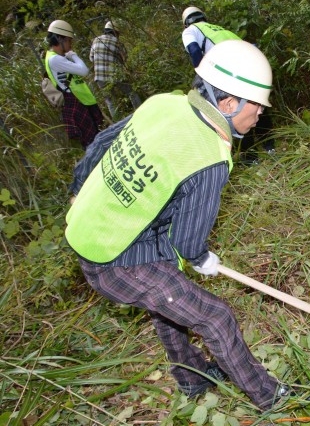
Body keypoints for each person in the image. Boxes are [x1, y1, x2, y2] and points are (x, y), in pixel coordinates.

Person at [65, 39, 288, 410]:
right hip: (111, 257)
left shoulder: (162, 104)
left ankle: (191, 379)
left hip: (90, 227)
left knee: (169, 294)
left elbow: (100, 142)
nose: (261, 114)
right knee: (215, 317)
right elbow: (187, 243)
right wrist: (203, 258)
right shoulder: (210, 156)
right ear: (229, 104)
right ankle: (270, 398)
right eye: (258, 106)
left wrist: (77, 189)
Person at [182, 6, 275, 164]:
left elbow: (194, 51)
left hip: (232, 72)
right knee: (256, 107)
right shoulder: (219, 29)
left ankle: (251, 158)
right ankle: (270, 147)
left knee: (236, 113)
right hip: (252, 68)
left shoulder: (190, 30)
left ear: (186, 22)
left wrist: (205, 75)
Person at [45, 20, 104, 149]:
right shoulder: (55, 59)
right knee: (92, 141)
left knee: (96, 137)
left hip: (81, 99)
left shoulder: (55, 57)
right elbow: (84, 70)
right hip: (75, 101)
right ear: (59, 39)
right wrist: (74, 55)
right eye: (68, 41)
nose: (70, 45)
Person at [90, 21, 142, 120]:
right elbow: (124, 58)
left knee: (110, 102)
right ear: (116, 32)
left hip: (99, 77)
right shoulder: (117, 42)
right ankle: (140, 112)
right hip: (115, 74)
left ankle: (118, 124)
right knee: (131, 92)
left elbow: (91, 58)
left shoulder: (96, 40)